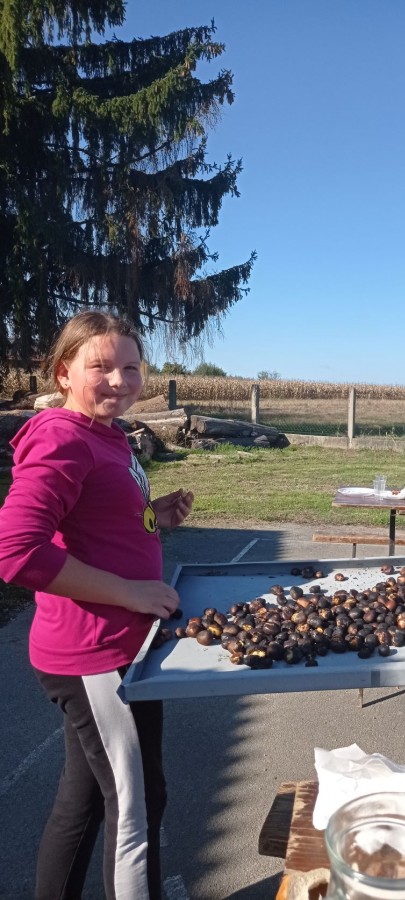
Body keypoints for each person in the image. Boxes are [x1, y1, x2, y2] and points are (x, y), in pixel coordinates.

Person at [0, 311, 194, 899]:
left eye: (131, 368)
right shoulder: (61, 436)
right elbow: (15, 552)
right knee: (138, 804)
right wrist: (131, 592)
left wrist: (150, 516)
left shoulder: (106, 433)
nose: (119, 380)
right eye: (101, 367)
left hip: (117, 647)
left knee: (82, 798)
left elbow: (90, 521)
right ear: (64, 372)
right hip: (96, 656)